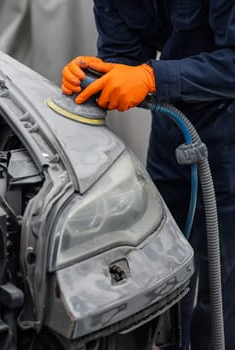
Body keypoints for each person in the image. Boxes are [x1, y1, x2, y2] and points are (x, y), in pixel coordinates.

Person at [61, 1, 235, 349]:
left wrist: (152, 78)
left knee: (224, 288)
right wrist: (99, 75)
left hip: (230, 130)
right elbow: (122, 54)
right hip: (174, 129)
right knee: (163, 266)